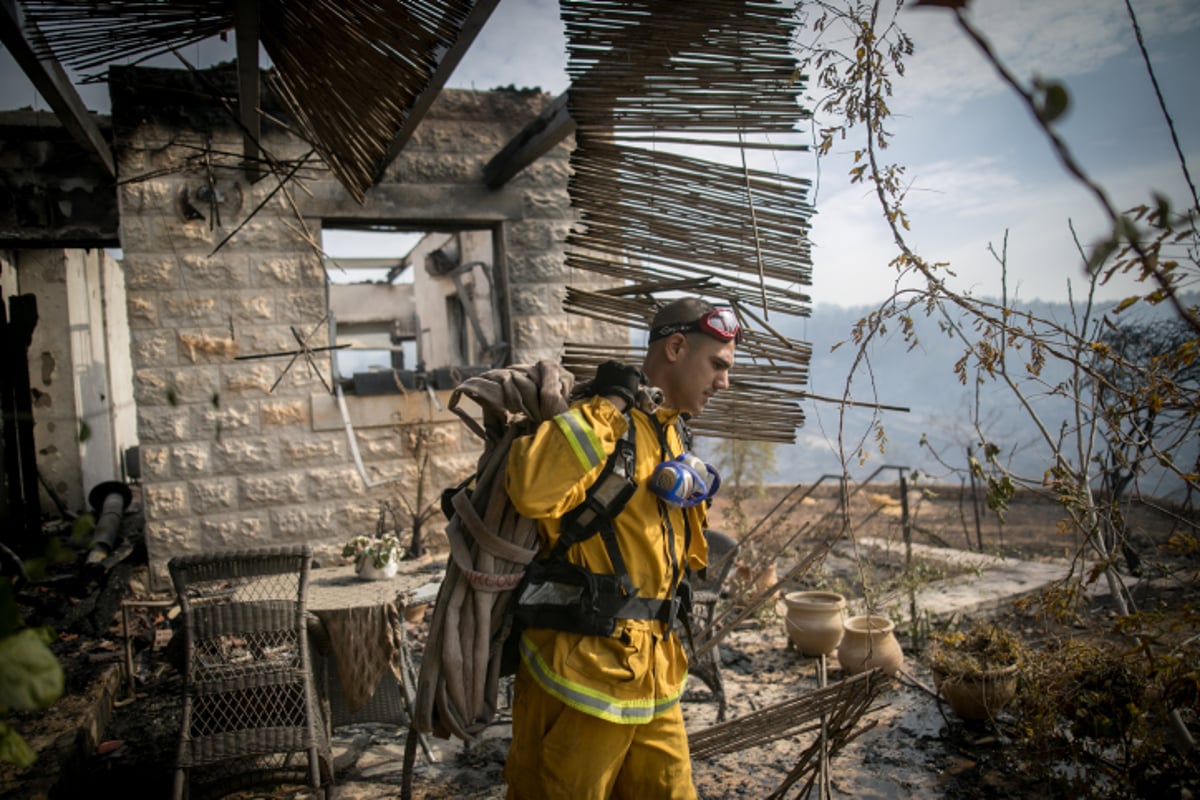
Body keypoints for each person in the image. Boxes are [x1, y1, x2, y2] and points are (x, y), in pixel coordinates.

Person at [502, 297, 740, 799]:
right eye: (718, 365)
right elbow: (532, 489)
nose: (724, 382)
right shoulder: (602, 420)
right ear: (676, 347)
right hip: (584, 675)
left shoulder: (672, 431)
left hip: (655, 675)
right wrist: (610, 405)